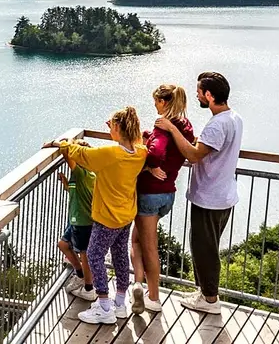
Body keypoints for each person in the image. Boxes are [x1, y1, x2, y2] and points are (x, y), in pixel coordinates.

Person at [44, 107, 146, 324]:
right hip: (126, 215)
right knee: (119, 256)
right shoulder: (140, 153)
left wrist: (60, 143)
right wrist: (118, 132)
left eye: (112, 124)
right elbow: (135, 145)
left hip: (107, 216)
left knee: (94, 255)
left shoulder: (110, 154)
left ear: (118, 127)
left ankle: (103, 305)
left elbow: (80, 153)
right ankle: (119, 303)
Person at [154, 72, 242, 315]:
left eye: (200, 92)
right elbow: (207, 147)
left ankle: (210, 300)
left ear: (210, 95)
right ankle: (205, 292)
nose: (196, 95)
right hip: (224, 194)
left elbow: (193, 155)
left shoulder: (217, 124)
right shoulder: (234, 118)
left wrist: (171, 128)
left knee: (204, 249)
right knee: (207, 246)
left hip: (210, 196)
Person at [130, 84, 192, 313]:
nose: (154, 105)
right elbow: (177, 150)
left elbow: (156, 152)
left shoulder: (163, 125)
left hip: (149, 194)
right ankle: (138, 285)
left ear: (164, 102)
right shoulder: (184, 124)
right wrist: (148, 138)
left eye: (156, 101)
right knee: (136, 241)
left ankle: (153, 298)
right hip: (168, 194)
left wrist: (149, 165)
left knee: (149, 248)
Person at [55, 155, 98, 302]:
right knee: (63, 244)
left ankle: (89, 288)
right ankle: (80, 275)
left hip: (83, 222)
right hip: (76, 221)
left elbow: (67, 154)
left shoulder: (82, 173)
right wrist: (66, 183)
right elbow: (75, 190)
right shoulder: (84, 174)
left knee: (85, 255)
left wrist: (54, 144)